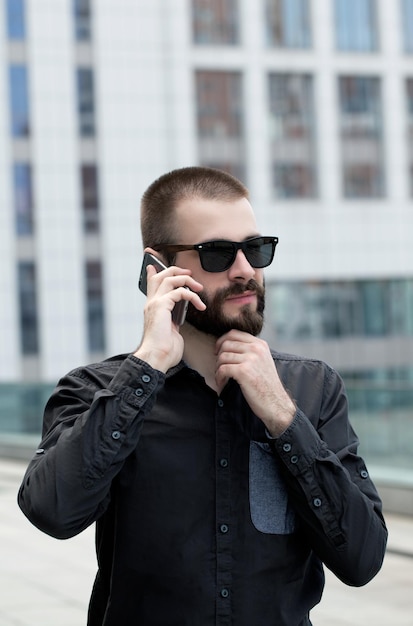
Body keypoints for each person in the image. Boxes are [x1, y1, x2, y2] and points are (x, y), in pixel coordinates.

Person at [18, 166, 387, 626]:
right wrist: (147, 365)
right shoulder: (95, 390)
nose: (245, 270)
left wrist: (282, 418)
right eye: (217, 253)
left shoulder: (312, 389)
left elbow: (362, 559)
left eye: (255, 249)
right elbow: (52, 512)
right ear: (158, 268)